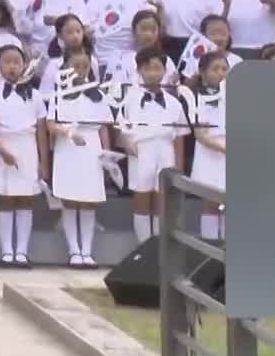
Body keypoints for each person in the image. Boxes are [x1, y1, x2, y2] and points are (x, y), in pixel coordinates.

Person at [47, 28, 111, 267]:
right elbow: (50, 124)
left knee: (89, 199)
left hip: (91, 146)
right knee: (71, 198)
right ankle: (74, 250)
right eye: (76, 66)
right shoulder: (58, 95)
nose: (81, 71)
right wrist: (69, 133)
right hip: (68, 146)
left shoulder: (99, 96)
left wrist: (107, 153)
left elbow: (104, 127)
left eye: (85, 67)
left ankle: (87, 250)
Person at [0, 43, 46, 267]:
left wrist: (43, 162)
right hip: (2, 147)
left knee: (25, 199)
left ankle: (21, 251)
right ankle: (6, 251)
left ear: (24, 65)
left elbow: (40, 132)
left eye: (16, 62)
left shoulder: (36, 96)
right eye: (7, 62)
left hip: (27, 147)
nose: (12, 66)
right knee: (5, 198)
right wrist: (2, 151)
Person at [119, 47, 186, 242]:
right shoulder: (129, 98)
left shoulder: (174, 102)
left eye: (158, 69)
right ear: (139, 70)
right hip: (141, 150)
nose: (153, 73)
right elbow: (120, 127)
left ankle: (158, 245)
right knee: (142, 195)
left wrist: (179, 166)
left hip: (165, 150)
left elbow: (180, 135)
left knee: (161, 197)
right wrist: (127, 143)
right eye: (148, 68)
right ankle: (143, 245)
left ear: (165, 71)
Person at [185, 51, 230, 241]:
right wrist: (226, 149)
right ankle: (210, 251)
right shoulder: (197, 98)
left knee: (230, 203)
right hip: (210, 153)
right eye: (215, 69)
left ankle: (228, 250)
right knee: (211, 202)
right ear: (203, 73)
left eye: (224, 69)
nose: (221, 73)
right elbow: (200, 135)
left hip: (232, 152)